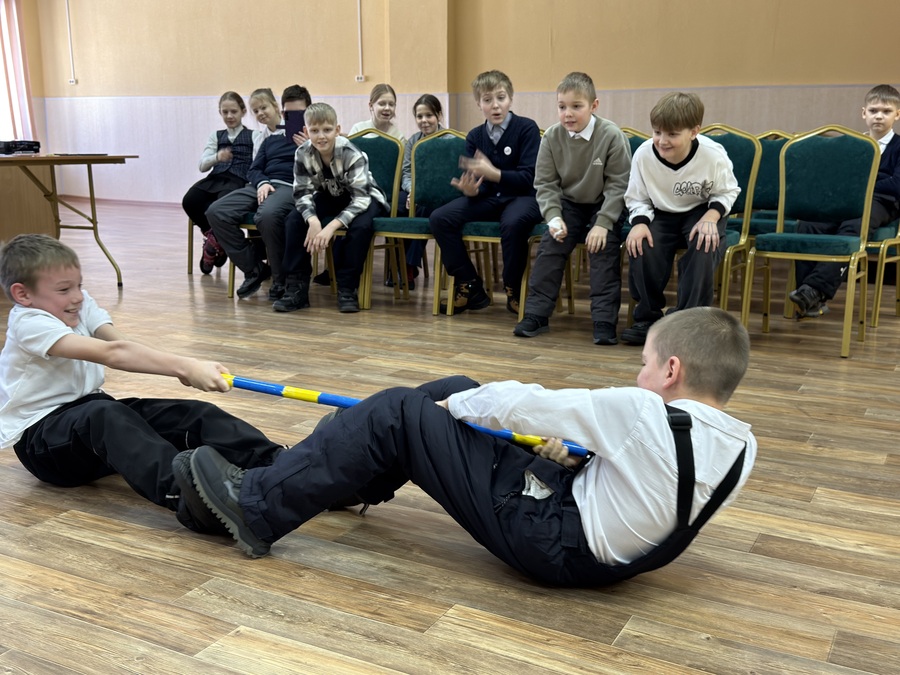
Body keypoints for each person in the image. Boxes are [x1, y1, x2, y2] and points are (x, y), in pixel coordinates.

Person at [184, 306, 756, 587]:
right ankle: (344, 475)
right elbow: (655, 484)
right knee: (452, 391)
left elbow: (522, 405)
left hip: (549, 536)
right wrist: (580, 457)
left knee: (399, 409)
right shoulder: (741, 448)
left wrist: (443, 410)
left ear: (672, 370)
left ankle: (256, 506)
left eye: (646, 364)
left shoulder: (643, 412)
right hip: (592, 545)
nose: (639, 375)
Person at [0, 234, 284, 536]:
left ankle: (280, 463)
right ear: (23, 294)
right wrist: (184, 366)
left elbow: (121, 343)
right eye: (64, 289)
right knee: (106, 414)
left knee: (189, 414)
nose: (78, 296)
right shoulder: (28, 323)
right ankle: (193, 502)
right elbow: (113, 354)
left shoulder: (77, 305)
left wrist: (182, 367)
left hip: (91, 424)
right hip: (44, 445)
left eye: (79, 285)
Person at [513, 72, 632, 345]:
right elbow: (545, 183)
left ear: (594, 105)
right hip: (569, 204)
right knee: (550, 245)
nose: (568, 113)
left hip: (605, 203)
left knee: (602, 249)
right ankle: (536, 315)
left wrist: (603, 223)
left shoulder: (611, 135)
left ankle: (604, 320)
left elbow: (619, 185)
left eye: (576, 106)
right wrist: (553, 217)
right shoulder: (552, 136)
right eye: (562, 106)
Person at [621, 92, 740, 346]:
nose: (662, 141)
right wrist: (639, 223)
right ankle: (648, 317)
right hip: (661, 212)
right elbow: (637, 197)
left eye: (672, 134)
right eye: (657, 132)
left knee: (705, 245)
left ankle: (689, 320)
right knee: (641, 244)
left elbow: (727, 191)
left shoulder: (713, 154)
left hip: (702, 210)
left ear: (694, 131)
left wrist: (711, 217)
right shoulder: (643, 154)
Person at [429, 70, 542, 314]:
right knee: (440, 218)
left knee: (513, 223)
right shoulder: (475, 136)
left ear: (510, 98)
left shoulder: (527, 128)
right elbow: (482, 185)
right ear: (479, 104)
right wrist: (471, 191)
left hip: (524, 197)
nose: (495, 105)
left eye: (501, 98)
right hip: (491, 199)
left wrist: (495, 173)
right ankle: (469, 284)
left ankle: (513, 287)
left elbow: (530, 178)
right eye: (488, 100)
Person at [789, 84, 900, 318]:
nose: (879, 116)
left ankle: (814, 289)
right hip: (845, 199)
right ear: (864, 113)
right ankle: (809, 297)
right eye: (873, 111)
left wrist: (861, 186)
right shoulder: (852, 145)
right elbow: (835, 180)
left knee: (854, 225)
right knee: (809, 225)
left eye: (886, 111)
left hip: (881, 202)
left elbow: (896, 183)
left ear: (897, 115)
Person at [273, 102, 389, 314]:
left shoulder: (352, 153)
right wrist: (313, 221)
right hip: (330, 195)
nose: (321, 136)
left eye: (327, 130)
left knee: (361, 227)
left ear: (337, 130)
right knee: (294, 220)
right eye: (315, 131)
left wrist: (330, 227)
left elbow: (361, 200)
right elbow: (301, 193)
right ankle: (296, 288)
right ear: (306, 131)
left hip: (364, 198)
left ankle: (347, 288)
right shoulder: (302, 153)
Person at [206, 85, 312, 301]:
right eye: (289, 114)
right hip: (260, 185)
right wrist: (262, 182)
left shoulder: (317, 136)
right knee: (216, 212)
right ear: (282, 111)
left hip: (289, 186)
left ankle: (280, 279)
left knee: (267, 215)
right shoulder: (269, 139)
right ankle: (254, 268)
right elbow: (254, 169)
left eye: (299, 113)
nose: (293, 118)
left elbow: (322, 167)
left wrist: (310, 145)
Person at [181, 91, 254, 275]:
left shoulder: (254, 135)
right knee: (190, 200)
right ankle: (216, 240)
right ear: (220, 112)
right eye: (225, 112)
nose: (229, 116)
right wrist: (217, 157)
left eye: (234, 111)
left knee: (221, 204)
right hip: (215, 178)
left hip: (239, 181)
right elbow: (202, 166)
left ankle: (212, 244)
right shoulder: (216, 136)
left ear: (243, 111)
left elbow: (258, 163)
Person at [387, 93, 446, 290]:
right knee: (398, 207)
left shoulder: (450, 139)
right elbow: (406, 172)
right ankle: (397, 265)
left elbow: (448, 175)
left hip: (441, 194)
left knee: (422, 207)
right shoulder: (413, 141)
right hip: (416, 190)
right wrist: (412, 190)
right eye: (419, 116)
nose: (424, 120)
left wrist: (421, 193)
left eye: (429, 115)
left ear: (439, 115)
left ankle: (408, 266)